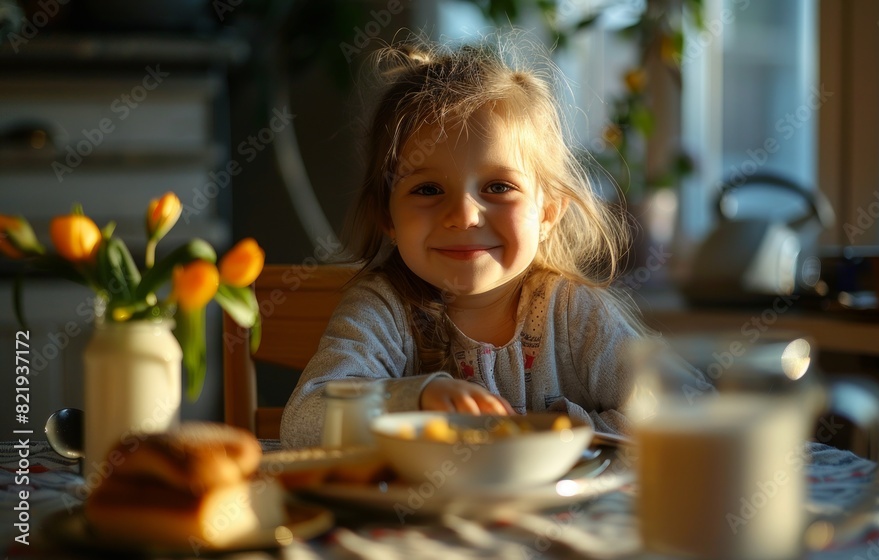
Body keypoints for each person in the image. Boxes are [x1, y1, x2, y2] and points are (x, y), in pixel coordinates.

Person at [280, 34, 706, 448]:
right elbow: (303, 422)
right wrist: (414, 400)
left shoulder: (574, 315)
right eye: (427, 189)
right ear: (386, 216)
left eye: (498, 187)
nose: (464, 216)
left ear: (548, 211)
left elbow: (691, 408)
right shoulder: (383, 309)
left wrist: (559, 433)